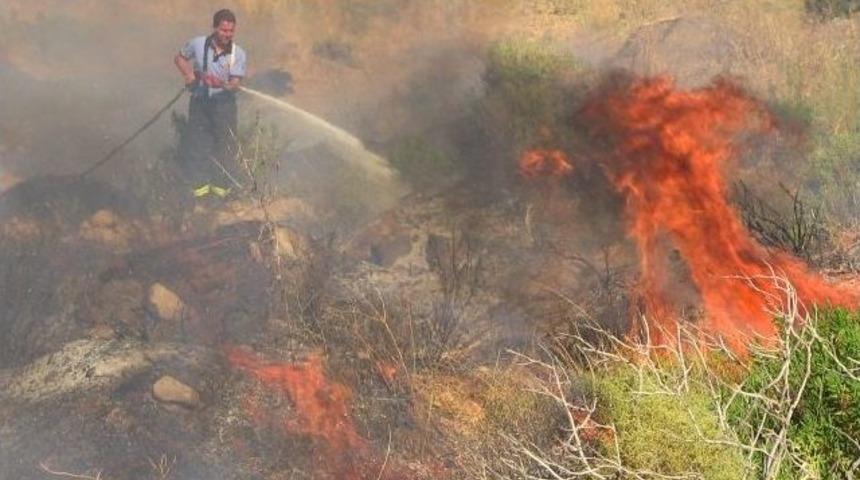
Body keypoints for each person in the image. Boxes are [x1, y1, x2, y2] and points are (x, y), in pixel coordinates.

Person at [174, 9, 247, 197]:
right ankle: (200, 192)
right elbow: (180, 58)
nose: (227, 35)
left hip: (224, 107)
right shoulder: (197, 44)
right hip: (200, 104)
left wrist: (225, 84)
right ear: (215, 28)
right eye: (224, 30)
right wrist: (189, 74)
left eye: (231, 31)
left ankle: (221, 192)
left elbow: (235, 83)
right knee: (198, 145)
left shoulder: (238, 54)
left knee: (225, 147)